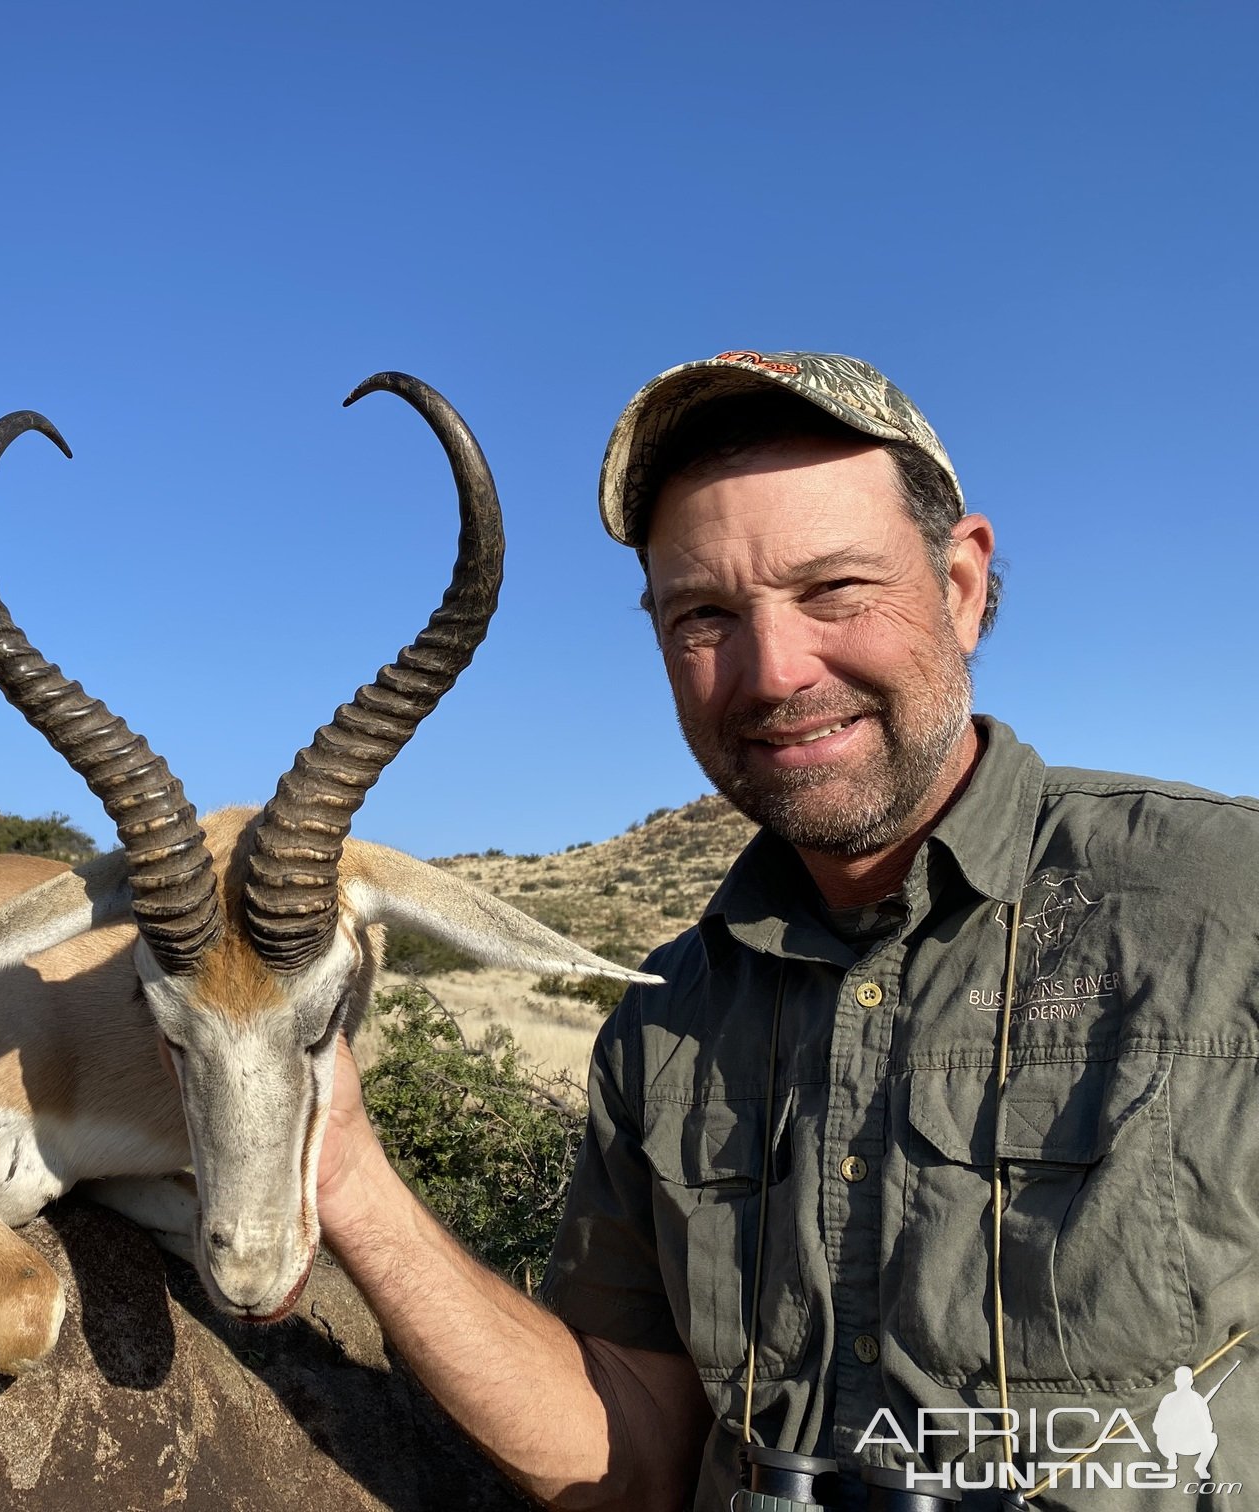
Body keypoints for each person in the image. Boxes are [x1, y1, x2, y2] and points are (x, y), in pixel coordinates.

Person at [315, 350, 1259, 1510]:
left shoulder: (1228, 903)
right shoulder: (662, 1020)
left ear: (962, 586)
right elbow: (633, 1454)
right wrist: (348, 1173)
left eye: (835, 591)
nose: (773, 673)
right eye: (704, 614)